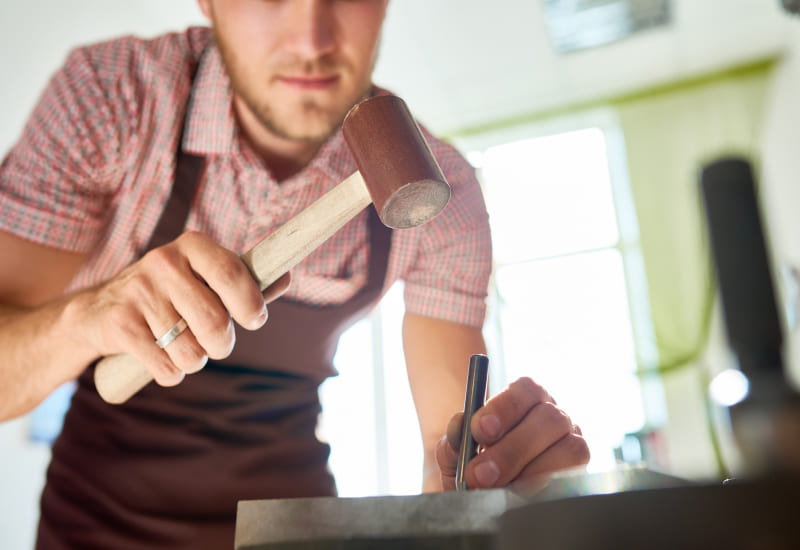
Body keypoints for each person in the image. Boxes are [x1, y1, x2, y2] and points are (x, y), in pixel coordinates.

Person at [0, 0, 590, 548]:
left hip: (292, 530)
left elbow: (451, 460)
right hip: (95, 528)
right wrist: (84, 321)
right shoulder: (111, 97)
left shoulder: (446, 193)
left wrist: (491, 482)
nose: (313, 39)